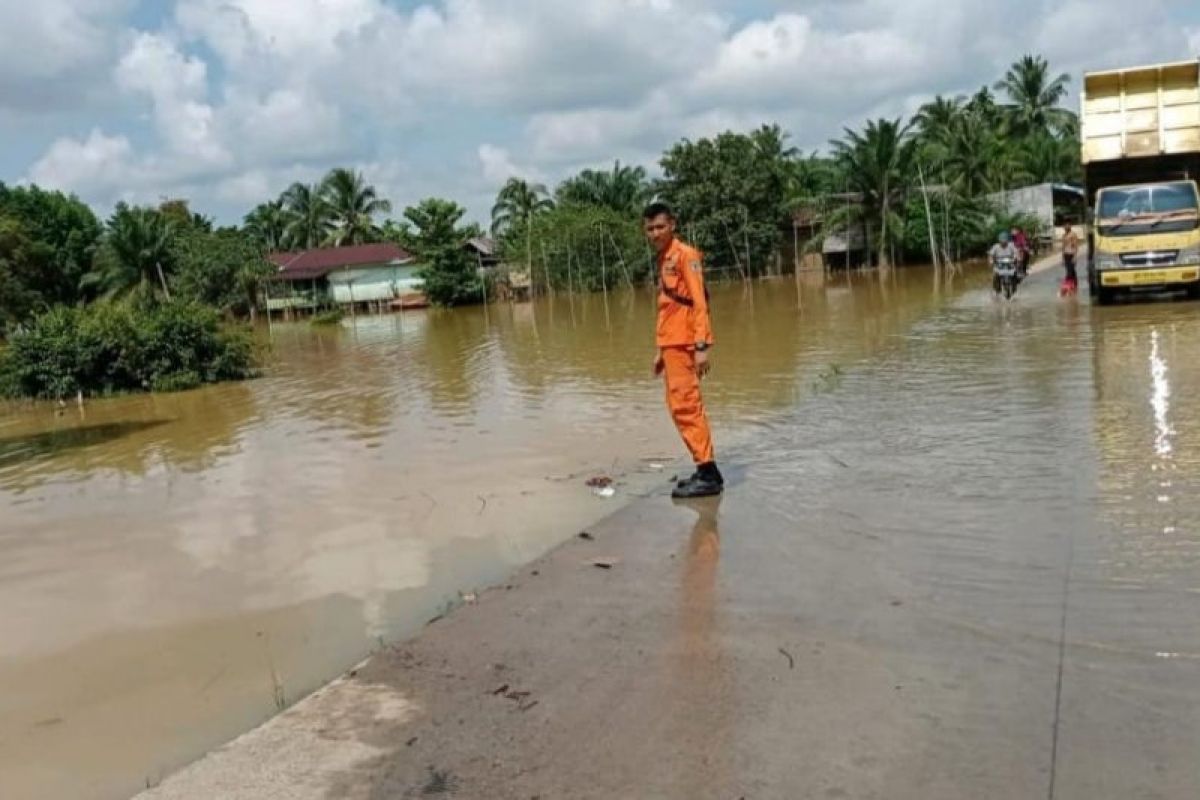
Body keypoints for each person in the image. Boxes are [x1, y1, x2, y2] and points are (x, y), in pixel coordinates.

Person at [644, 202, 723, 499]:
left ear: (672, 225)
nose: (655, 233)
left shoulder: (685, 255)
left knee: (687, 407)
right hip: (672, 345)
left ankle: (709, 474)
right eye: (650, 228)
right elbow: (669, 307)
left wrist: (702, 346)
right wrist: (660, 350)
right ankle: (704, 467)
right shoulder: (664, 258)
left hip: (687, 343)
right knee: (679, 407)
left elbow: (699, 302)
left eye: (660, 227)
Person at [1061, 223, 1080, 294]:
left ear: (1070, 226)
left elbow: (1076, 246)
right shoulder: (1063, 235)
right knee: (1071, 271)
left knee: (1070, 271)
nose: (1066, 227)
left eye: (1067, 225)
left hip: (1071, 254)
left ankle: (1067, 285)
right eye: (1065, 225)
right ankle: (1074, 286)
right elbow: (1063, 247)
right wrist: (1062, 258)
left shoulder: (1073, 235)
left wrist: (1075, 257)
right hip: (1066, 254)